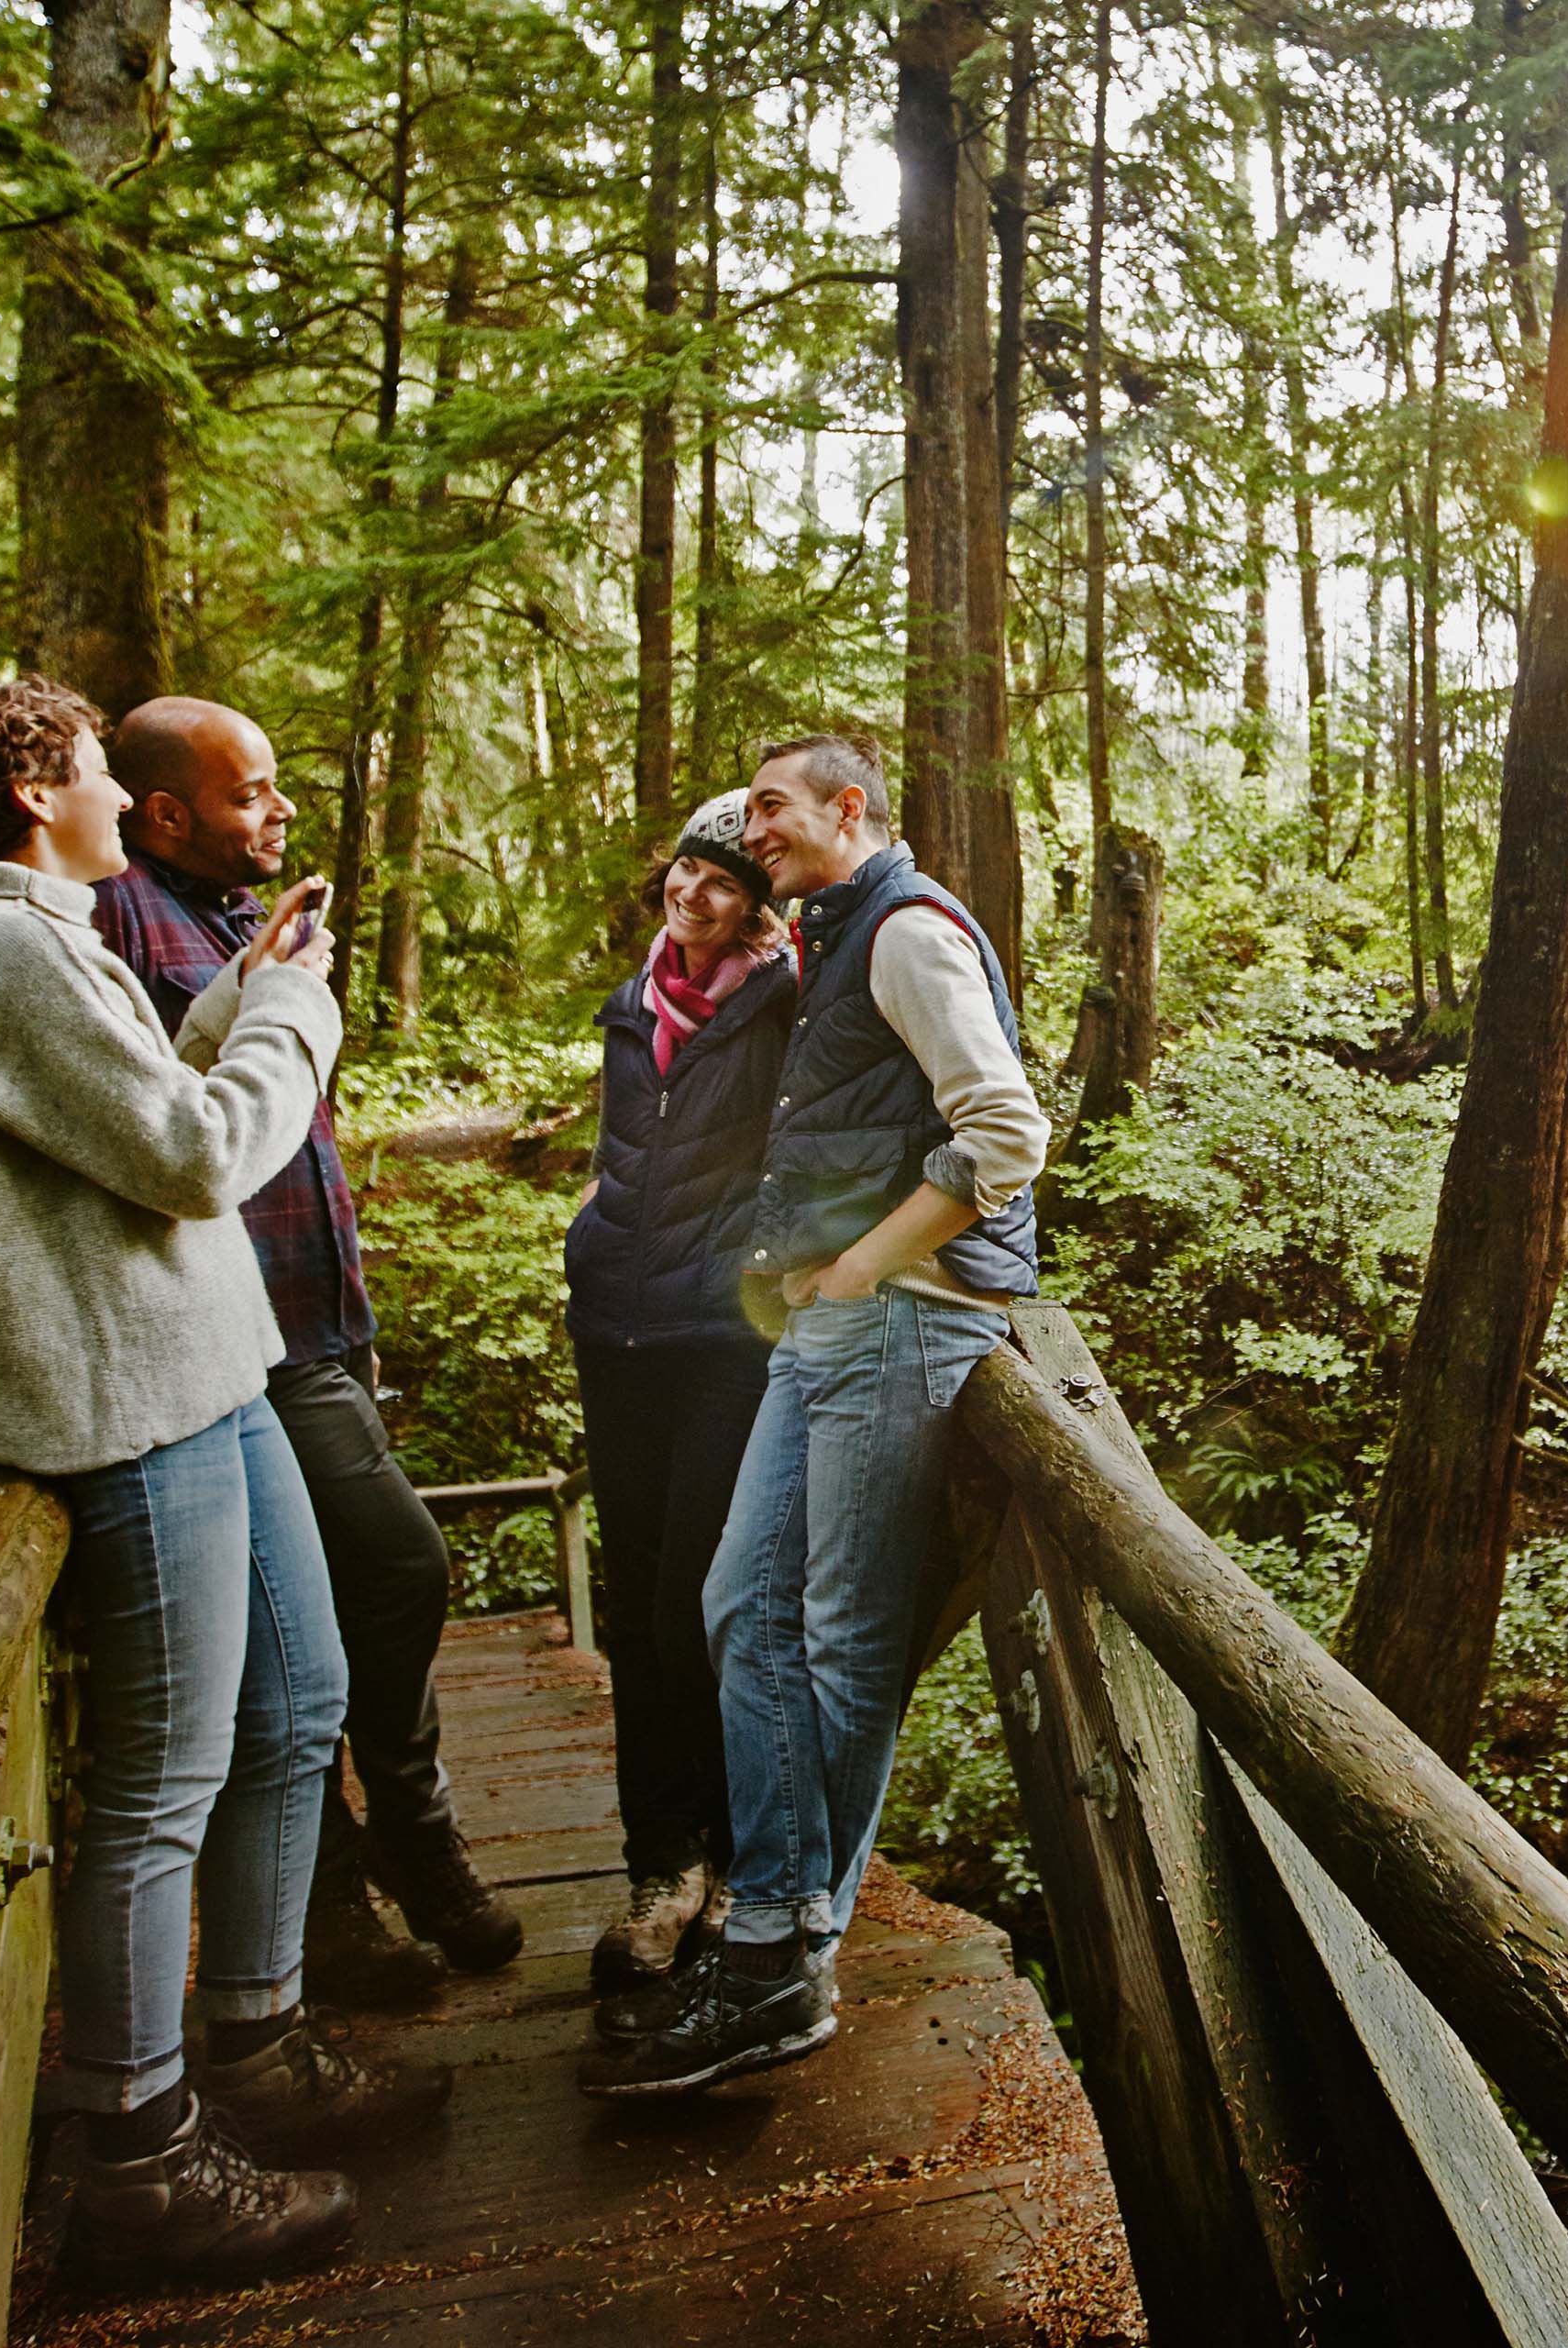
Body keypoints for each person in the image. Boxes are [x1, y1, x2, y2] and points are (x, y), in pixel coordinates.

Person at [0, 675, 447, 2284]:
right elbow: (199, 1157)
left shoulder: (53, 936)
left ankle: (260, 2045)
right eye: (87, 772)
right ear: (29, 797)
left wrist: (236, 996)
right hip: (125, 1406)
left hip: (214, 1370)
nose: (121, 798)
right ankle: (140, 2154)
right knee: (164, 1779)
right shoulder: (1, 949)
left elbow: (137, 1114)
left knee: (299, 1699)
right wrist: (297, 1019)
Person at [582, 731, 1047, 2099]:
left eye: (774, 808)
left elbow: (1007, 1130)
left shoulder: (903, 930)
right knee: (742, 1606)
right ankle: (777, 1933)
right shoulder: (835, 938)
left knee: (840, 1633)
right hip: (831, 1323)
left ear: (852, 809)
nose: (754, 828)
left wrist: (867, 1262)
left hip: (899, 1317)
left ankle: (784, 1952)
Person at [91, 694, 523, 2010]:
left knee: (331, 1607)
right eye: (250, 793)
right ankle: (382, 1850)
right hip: (243, 1345)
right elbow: (170, 1130)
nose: (278, 812)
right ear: (168, 811)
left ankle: (348, 1888)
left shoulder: (230, 918)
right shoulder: (116, 923)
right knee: (395, 1569)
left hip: (318, 1320)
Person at [564, 789, 795, 1997]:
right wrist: (592, 1240)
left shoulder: (787, 999)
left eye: (721, 883)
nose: (691, 895)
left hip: (720, 1335)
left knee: (699, 1602)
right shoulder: (633, 1000)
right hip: (618, 1325)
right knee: (635, 1598)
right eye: (684, 873)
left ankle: (734, 1862)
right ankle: (659, 1866)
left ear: (757, 906)